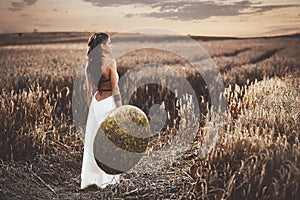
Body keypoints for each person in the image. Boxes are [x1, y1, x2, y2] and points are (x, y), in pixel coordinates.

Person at [81, 32, 122, 189]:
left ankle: (93, 179)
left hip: (95, 105)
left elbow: (90, 91)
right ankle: (107, 180)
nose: (111, 46)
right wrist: (120, 108)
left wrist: (89, 112)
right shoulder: (111, 62)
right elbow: (115, 88)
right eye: (109, 43)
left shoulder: (89, 64)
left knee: (93, 141)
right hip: (108, 104)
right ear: (103, 46)